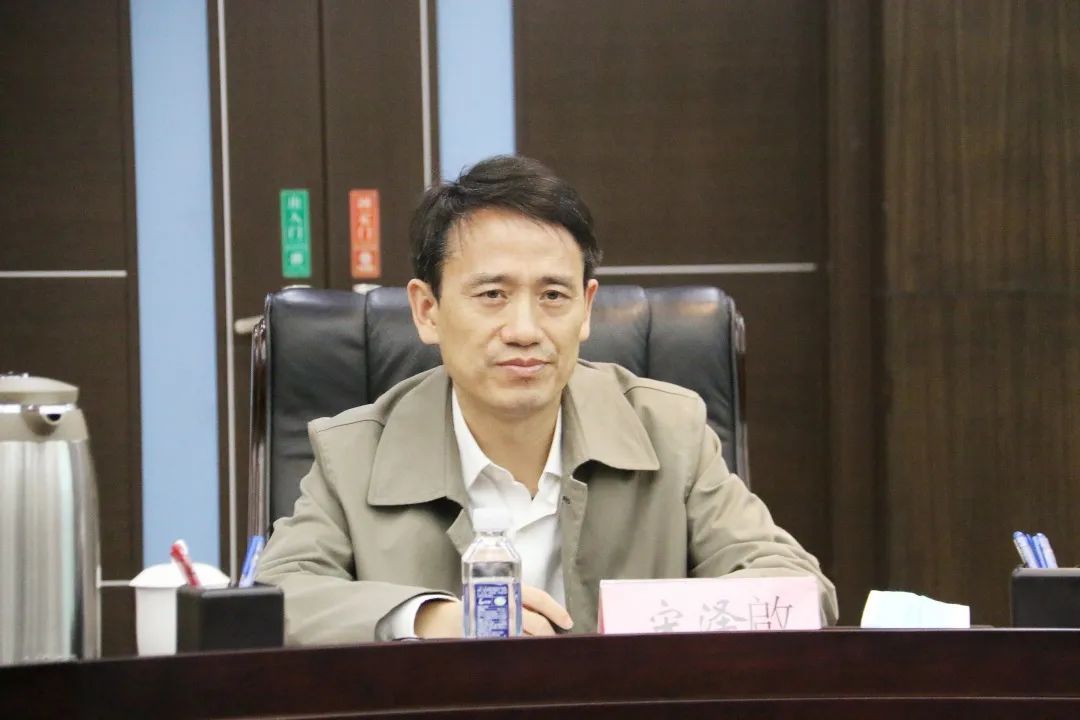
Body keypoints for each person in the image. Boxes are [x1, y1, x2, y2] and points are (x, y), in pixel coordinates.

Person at [256, 155, 838, 643]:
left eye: (554, 295)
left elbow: (797, 586)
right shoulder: (354, 452)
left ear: (586, 309)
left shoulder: (668, 429)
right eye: (492, 294)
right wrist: (433, 619)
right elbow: (276, 598)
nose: (525, 329)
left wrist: (652, 621)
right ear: (427, 310)